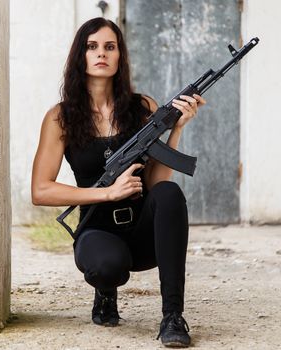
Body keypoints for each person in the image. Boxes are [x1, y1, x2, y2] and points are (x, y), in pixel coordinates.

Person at [31, 17, 206, 348]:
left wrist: (177, 129)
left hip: (142, 232)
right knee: (107, 266)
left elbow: (155, 181)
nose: (101, 54)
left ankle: (172, 316)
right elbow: (40, 190)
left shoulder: (143, 109)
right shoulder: (60, 118)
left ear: (120, 56)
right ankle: (105, 291)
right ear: (80, 56)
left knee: (170, 192)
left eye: (110, 47)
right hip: (98, 231)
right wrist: (108, 192)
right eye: (92, 46)